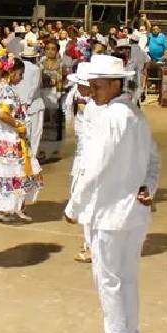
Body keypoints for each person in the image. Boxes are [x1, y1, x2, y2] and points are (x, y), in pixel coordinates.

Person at [64, 54, 159, 333]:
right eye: (91, 86)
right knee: (127, 277)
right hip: (134, 212)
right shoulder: (135, 114)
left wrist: (74, 206)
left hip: (108, 213)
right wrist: (149, 186)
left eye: (99, 86)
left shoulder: (109, 118)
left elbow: (94, 168)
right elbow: (153, 160)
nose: (92, 92)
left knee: (108, 280)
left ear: (117, 84)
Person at [0, 51, 42, 223]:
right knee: (15, 173)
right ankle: (11, 208)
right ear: (11, 72)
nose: (22, 77)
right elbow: (3, 114)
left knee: (3, 175)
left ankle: (3, 209)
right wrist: (18, 125)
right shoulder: (7, 90)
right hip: (9, 139)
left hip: (1, 138)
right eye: (20, 74)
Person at [63, 61, 95, 263]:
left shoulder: (96, 106)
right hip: (84, 153)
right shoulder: (82, 97)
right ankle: (90, 242)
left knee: (89, 199)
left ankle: (92, 245)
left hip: (92, 159)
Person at [39, 39, 65, 159]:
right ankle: (42, 149)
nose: (50, 51)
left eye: (53, 49)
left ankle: (54, 151)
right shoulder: (40, 63)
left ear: (57, 51)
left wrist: (59, 93)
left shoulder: (61, 64)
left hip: (55, 93)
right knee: (42, 120)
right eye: (48, 49)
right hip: (42, 93)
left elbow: (63, 80)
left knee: (54, 121)